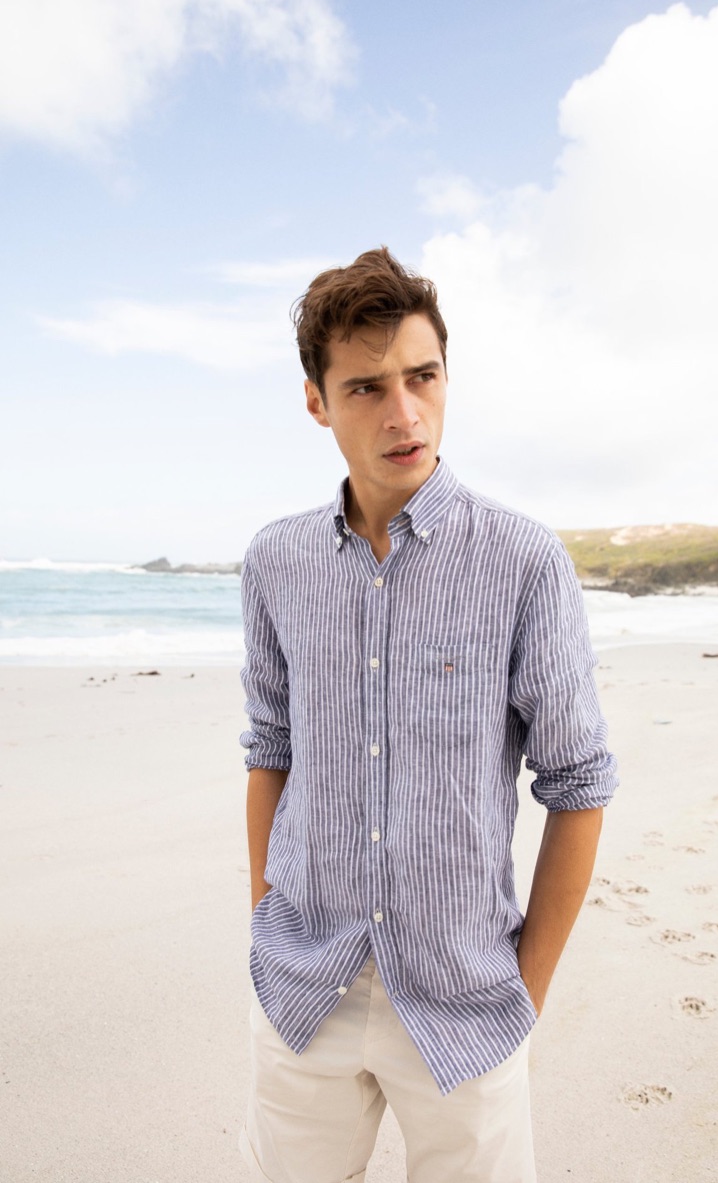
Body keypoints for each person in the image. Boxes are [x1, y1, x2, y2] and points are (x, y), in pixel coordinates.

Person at [238, 247, 618, 1183]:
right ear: (317, 402)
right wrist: (266, 920)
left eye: (422, 376)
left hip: (467, 1000)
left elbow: (579, 784)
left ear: (447, 375)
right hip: (303, 991)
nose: (403, 414)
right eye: (365, 387)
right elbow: (270, 751)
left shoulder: (524, 561)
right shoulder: (275, 563)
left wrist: (524, 993)